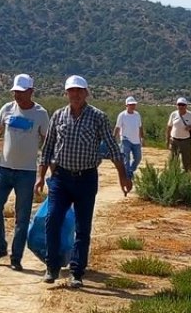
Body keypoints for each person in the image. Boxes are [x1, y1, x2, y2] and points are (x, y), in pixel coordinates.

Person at [36, 75, 132, 287]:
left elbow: (113, 148)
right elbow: (48, 147)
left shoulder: (98, 117)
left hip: (86, 178)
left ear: (86, 93)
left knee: (82, 226)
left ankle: (76, 272)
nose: (76, 94)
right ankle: (51, 266)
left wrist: (123, 176)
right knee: (52, 219)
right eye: (72, 90)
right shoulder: (58, 116)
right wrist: (41, 176)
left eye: (79, 90)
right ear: (66, 93)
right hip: (61, 178)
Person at [0, 73, 50, 272]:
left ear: (31, 91)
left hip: (26, 172)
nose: (18, 96)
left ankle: (16, 257)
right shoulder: (7, 109)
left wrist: (45, 171)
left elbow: (47, 142)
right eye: (15, 92)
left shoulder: (40, 114)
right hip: (3, 169)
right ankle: (0, 247)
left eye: (21, 92)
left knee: (22, 217)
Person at [166, 97, 191, 172]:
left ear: (186, 106)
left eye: (183, 105)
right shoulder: (173, 114)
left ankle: (186, 177)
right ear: (176, 105)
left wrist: (190, 127)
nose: (181, 106)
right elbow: (169, 127)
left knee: (186, 161)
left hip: (186, 141)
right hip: (174, 141)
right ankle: (173, 176)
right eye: (179, 104)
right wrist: (167, 140)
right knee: (173, 161)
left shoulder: (190, 115)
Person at [114, 97, 144, 179]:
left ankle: (130, 170)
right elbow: (117, 127)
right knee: (126, 158)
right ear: (126, 105)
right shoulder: (122, 115)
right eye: (131, 104)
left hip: (136, 140)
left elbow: (140, 127)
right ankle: (127, 177)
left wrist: (142, 138)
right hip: (125, 139)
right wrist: (113, 137)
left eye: (134, 104)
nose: (132, 106)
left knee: (138, 158)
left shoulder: (137, 115)